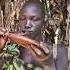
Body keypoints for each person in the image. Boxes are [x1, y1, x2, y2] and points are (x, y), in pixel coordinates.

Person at [0, 0, 55, 70]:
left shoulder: (57, 53)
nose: (27, 25)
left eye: (34, 19)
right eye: (22, 19)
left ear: (44, 22)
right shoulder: (9, 50)